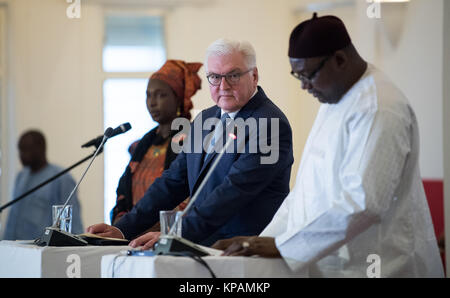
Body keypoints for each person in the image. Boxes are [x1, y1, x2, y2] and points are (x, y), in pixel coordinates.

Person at [212, 13, 445, 278]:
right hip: (332, 264)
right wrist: (258, 243)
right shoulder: (335, 97)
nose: (304, 86)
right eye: (297, 76)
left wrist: (282, 245)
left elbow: (363, 202)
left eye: (307, 75)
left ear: (339, 60)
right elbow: (306, 189)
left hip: (380, 263)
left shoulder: (379, 108)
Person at [87, 38, 294, 248]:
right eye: (214, 77)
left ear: (254, 75)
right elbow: (173, 182)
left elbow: (233, 191)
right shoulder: (205, 120)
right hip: (200, 250)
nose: (223, 86)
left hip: (244, 254)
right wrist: (123, 229)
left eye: (233, 75)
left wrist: (174, 234)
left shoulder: (270, 125)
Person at [111, 60, 202, 225]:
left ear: (178, 98)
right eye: (149, 95)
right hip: (133, 235)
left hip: (174, 235)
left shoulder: (193, 140)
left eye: (161, 95)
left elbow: (190, 194)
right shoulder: (140, 146)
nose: (152, 102)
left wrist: (155, 228)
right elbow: (123, 193)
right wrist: (123, 225)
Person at [3, 130, 84, 240]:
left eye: (26, 149)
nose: (21, 155)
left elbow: (72, 222)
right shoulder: (21, 176)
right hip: (15, 250)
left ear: (41, 148)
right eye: (20, 150)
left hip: (42, 252)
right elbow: (12, 218)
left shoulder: (61, 178)